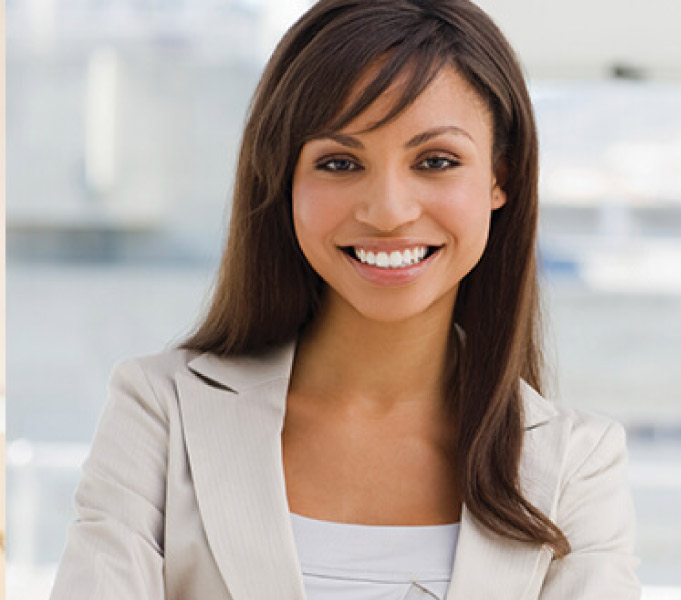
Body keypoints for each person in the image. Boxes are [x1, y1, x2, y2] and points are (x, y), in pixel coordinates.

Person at [50, 1, 640, 598]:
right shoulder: (161, 413)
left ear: (499, 179)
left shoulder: (575, 465)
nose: (387, 211)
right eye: (339, 162)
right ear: (284, 180)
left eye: (436, 161)